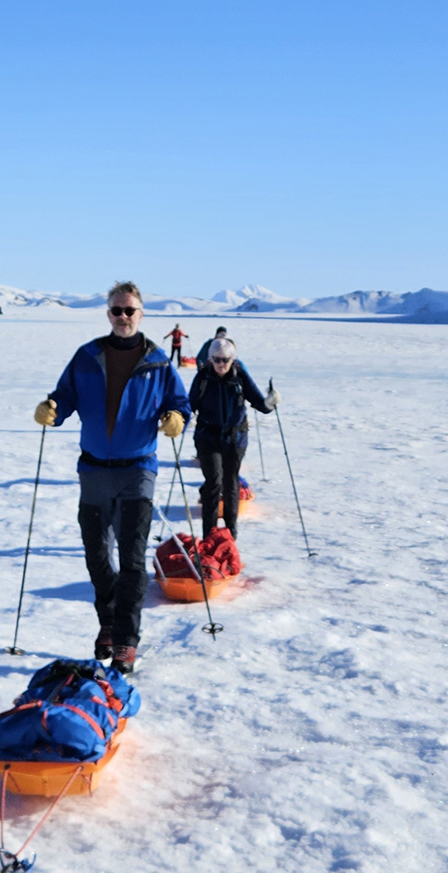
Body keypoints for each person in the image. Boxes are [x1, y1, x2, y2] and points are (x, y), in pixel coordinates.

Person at [34, 281, 190, 674]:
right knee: (97, 556)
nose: (123, 317)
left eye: (130, 311)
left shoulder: (157, 361)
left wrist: (176, 418)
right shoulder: (87, 356)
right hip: (93, 470)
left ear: (141, 314)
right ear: (108, 314)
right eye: (117, 311)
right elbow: (64, 396)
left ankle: (125, 640)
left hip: (138, 468)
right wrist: (52, 409)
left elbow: (179, 402)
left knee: (133, 558)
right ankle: (108, 622)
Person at [188, 337, 278, 538]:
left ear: (233, 359)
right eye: (217, 359)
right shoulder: (203, 378)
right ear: (210, 359)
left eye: (226, 359)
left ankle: (230, 535)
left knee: (230, 483)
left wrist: (271, 402)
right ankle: (209, 536)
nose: (221, 364)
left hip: (235, 439)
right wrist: (176, 418)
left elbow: (260, 404)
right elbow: (190, 406)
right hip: (207, 438)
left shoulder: (240, 377)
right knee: (213, 482)